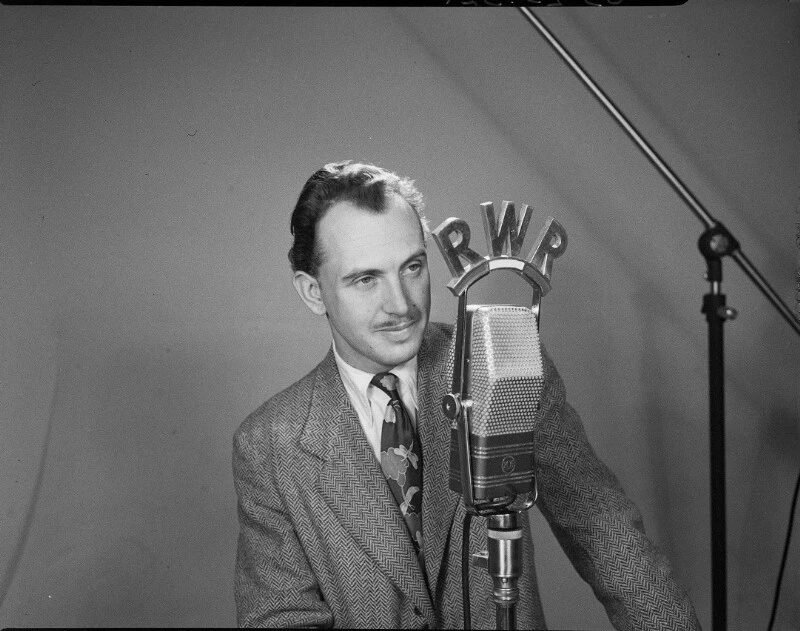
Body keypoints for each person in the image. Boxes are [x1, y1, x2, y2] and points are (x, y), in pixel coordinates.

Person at [232, 160, 700, 629]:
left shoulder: (505, 358)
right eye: (366, 279)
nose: (401, 304)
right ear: (313, 292)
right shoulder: (270, 445)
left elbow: (604, 531)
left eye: (412, 268)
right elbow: (281, 618)